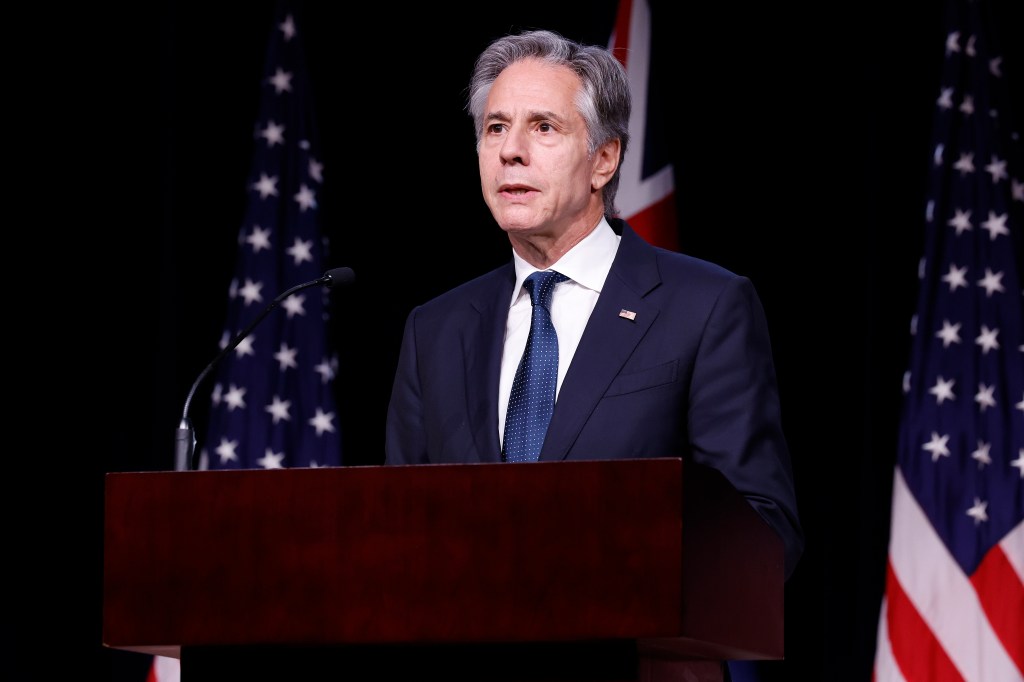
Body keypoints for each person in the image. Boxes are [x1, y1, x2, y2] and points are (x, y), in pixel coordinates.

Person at [384, 29, 804, 581]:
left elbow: (762, 530)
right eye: (496, 127)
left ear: (603, 161)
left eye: (543, 127)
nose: (511, 150)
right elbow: (391, 529)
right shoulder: (434, 330)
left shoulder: (706, 308)